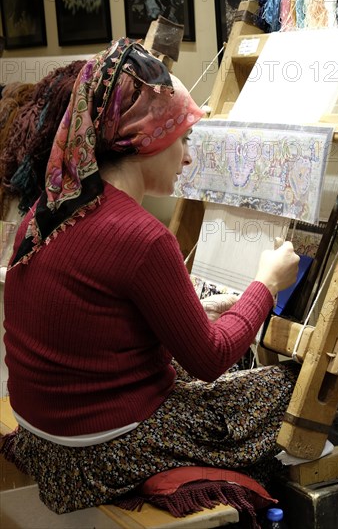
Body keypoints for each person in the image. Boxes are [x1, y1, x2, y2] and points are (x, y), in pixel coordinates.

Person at [2, 38, 300, 515]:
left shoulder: (52, 208)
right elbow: (211, 358)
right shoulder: (142, 236)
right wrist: (266, 283)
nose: (186, 157)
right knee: (283, 385)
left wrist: (194, 311)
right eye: (182, 139)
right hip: (98, 453)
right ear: (147, 140)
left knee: (192, 369)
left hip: (45, 435)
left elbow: (90, 319)